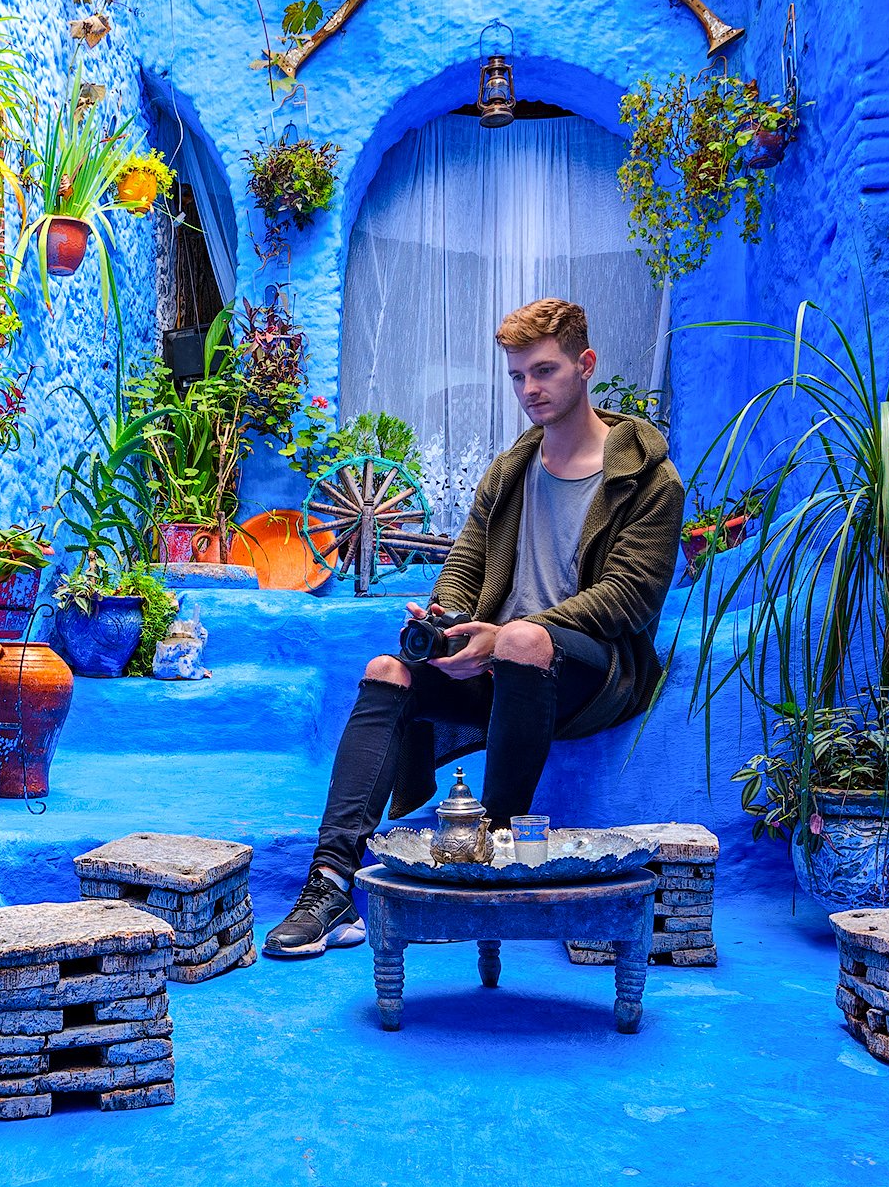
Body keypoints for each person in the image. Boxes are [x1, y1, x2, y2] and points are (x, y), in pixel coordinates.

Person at [262, 296, 684, 959]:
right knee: (388, 671)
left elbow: (627, 599)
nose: (529, 389)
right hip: (505, 666)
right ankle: (331, 882)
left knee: (520, 639)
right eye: (517, 376)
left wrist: (503, 637)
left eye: (544, 371)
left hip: (593, 673)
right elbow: (464, 561)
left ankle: (486, 862)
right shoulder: (513, 467)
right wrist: (451, 622)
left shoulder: (648, 479)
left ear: (586, 364)